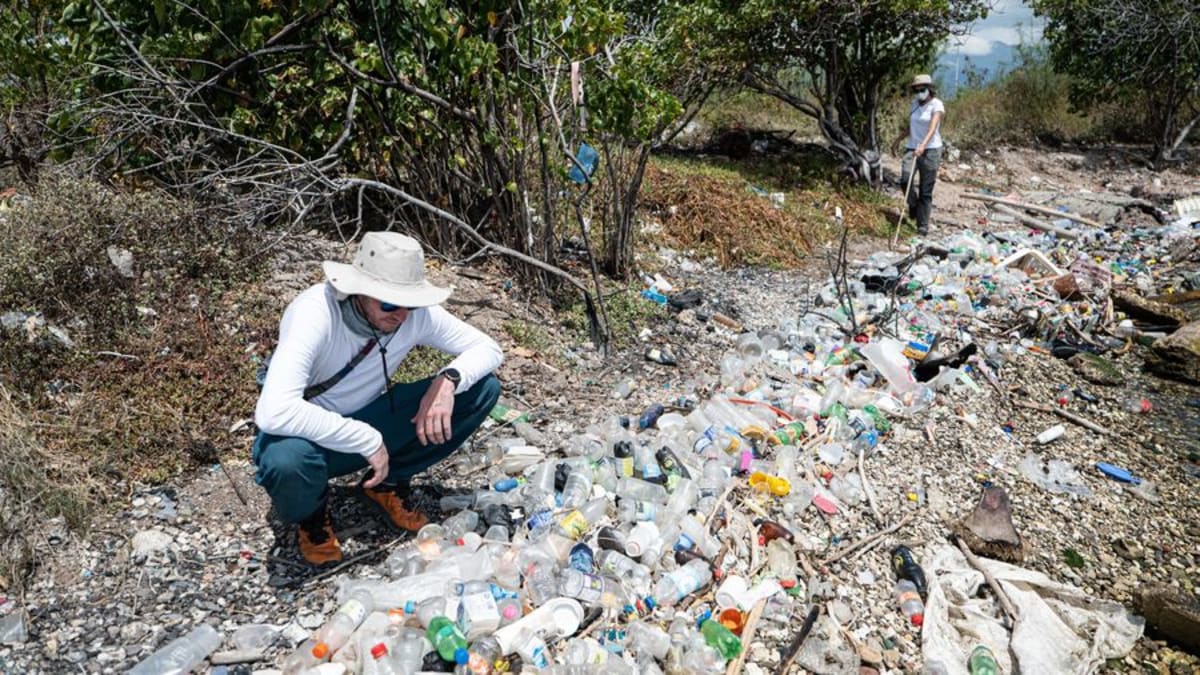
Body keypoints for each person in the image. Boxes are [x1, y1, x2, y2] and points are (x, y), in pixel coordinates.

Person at [253, 232, 503, 565]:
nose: (401, 315)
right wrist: (364, 438)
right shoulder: (314, 312)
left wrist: (449, 380)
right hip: (311, 437)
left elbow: (489, 348)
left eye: (410, 304)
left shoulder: (414, 316)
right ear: (359, 291)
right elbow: (274, 412)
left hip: (369, 418)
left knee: (481, 388)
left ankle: (388, 484)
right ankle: (311, 518)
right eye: (388, 304)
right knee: (285, 462)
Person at [895, 74, 945, 235]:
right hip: (912, 147)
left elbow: (933, 127)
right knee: (905, 179)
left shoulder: (937, 105)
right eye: (916, 90)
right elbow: (911, 126)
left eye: (922, 89)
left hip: (931, 150)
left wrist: (923, 145)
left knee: (926, 189)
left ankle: (922, 225)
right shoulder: (914, 105)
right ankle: (913, 205)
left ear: (929, 89)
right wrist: (898, 140)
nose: (919, 93)